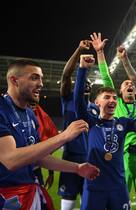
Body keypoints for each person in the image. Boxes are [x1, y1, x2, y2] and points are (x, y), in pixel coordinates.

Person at [0, 59, 100, 209]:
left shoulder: (29, 114)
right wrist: (64, 136)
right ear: (14, 80)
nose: (41, 83)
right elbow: (10, 159)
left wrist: (77, 168)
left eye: (40, 78)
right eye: (34, 77)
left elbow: (37, 158)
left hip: (29, 191)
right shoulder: (2, 108)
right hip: (6, 197)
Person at [74, 54, 136, 210]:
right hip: (94, 186)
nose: (112, 100)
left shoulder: (123, 122)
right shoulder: (91, 121)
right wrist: (82, 69)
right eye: (107, 97)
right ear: (97, 103)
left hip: (118, 187)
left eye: (114, 98)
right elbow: (78, 101)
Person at [91, 32, 136, 209]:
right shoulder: (116, 105)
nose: (130, 85)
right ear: (120, 91)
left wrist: (124, 60)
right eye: (126, 85)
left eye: (131, 85)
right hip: (122, 156)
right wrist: (100, 52)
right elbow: (105, 76)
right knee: (121, 196)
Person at [58, 40, 93, 210]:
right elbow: (66, 76)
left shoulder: (94, 108)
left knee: (88, 200)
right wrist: (79, 50)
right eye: (83, 83)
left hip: (90, 158)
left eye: (88, 85)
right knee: (68, 199)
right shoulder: (68, 99)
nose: (85, 86)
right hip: (71, 158)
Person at [28, 101, 59, 189]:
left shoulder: (42, 118)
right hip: (14, 174)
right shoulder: (8, 114)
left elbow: (47, 148)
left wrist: (51, 173)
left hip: (35, 170)